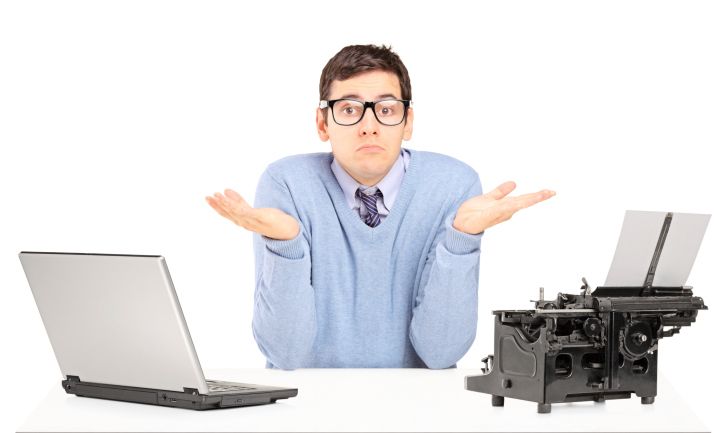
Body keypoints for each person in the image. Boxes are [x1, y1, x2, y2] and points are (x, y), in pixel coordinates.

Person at [206, 44, 555, 369]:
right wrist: (287, 245)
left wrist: (461, 238)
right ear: (322, 123)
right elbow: (285, 353)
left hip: (418, 408)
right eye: (349, 110)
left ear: (409, 122)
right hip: (308, 405)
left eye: (386, 109)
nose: (369, 127)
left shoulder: (453, 184)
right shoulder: (287, 183)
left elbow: (441, 354)